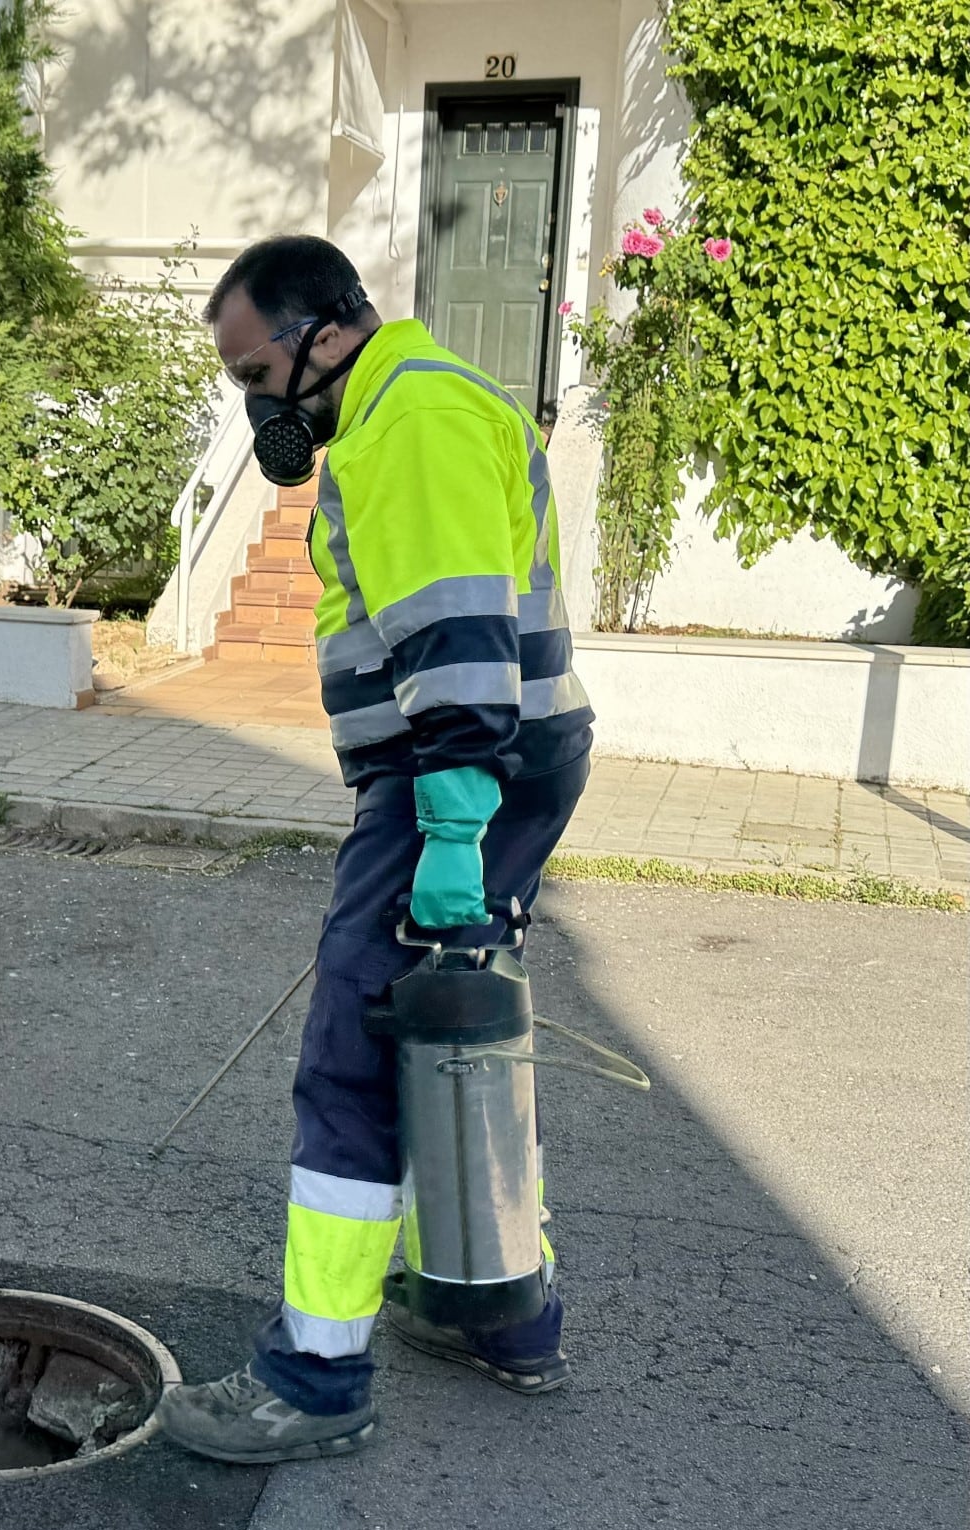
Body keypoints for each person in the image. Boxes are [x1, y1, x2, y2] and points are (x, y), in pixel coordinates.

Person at [157, 236, 595, 1462]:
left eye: (256, 371)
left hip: (450, 777)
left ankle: (316, 1377)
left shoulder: (412, 418)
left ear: (324, 333)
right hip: (477, 769)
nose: (255, 403)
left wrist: (449, 830)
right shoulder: (418, 404)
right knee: (458, 1026)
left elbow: (456, 639)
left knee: (354, 1057)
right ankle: (499, 1310)